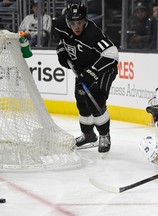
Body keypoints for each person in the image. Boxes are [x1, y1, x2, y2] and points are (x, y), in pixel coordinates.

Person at [54, 2, 119, 154]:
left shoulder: (92, 34)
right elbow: (61, 40)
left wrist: (93, 72)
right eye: (73, 23)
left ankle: (104, 135)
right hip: (83, 69)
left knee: (95, 100)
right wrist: (61, 51)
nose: (77, 27)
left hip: (103, 70)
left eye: (80, 23)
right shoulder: (60, 25)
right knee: (82, 100)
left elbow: (112, 55)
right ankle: (88, 134)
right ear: (68, 21)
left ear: (86, 21)